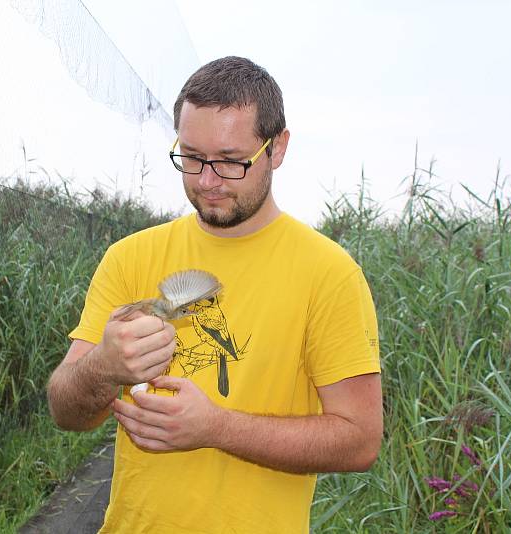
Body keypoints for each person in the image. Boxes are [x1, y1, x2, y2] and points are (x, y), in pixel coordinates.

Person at [47, 56, 383, 534]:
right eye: (191, 156)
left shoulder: (329, 275)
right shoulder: (130, 258)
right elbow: (68, 412)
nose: (206, 180)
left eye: (229, 161)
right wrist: (104, 366)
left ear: (277, 147)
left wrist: (215, 428)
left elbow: (359, 441)